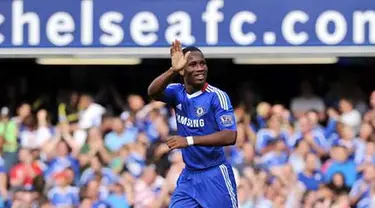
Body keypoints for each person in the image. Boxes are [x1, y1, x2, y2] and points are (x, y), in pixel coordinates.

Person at [147, 40, 238, 207]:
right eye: (193, 65)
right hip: (189, 176)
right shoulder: (177, 92)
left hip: (215, 174)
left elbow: (230, 135)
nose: (200, 68)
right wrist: (172, 70)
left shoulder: (216, 97)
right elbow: (152, 92)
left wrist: (188, 140)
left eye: (202, 63)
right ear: (183, 70)